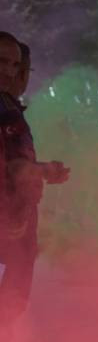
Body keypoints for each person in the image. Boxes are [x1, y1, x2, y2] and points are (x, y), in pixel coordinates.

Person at [0, 34, 69, 326]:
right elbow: (14, 169)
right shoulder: (5, 112)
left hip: (13, 216)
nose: (10, 72)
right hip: (7, 218)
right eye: (3, 62)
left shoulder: (8, 107)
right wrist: (45, 171)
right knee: (11, 300)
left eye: (15, 65)